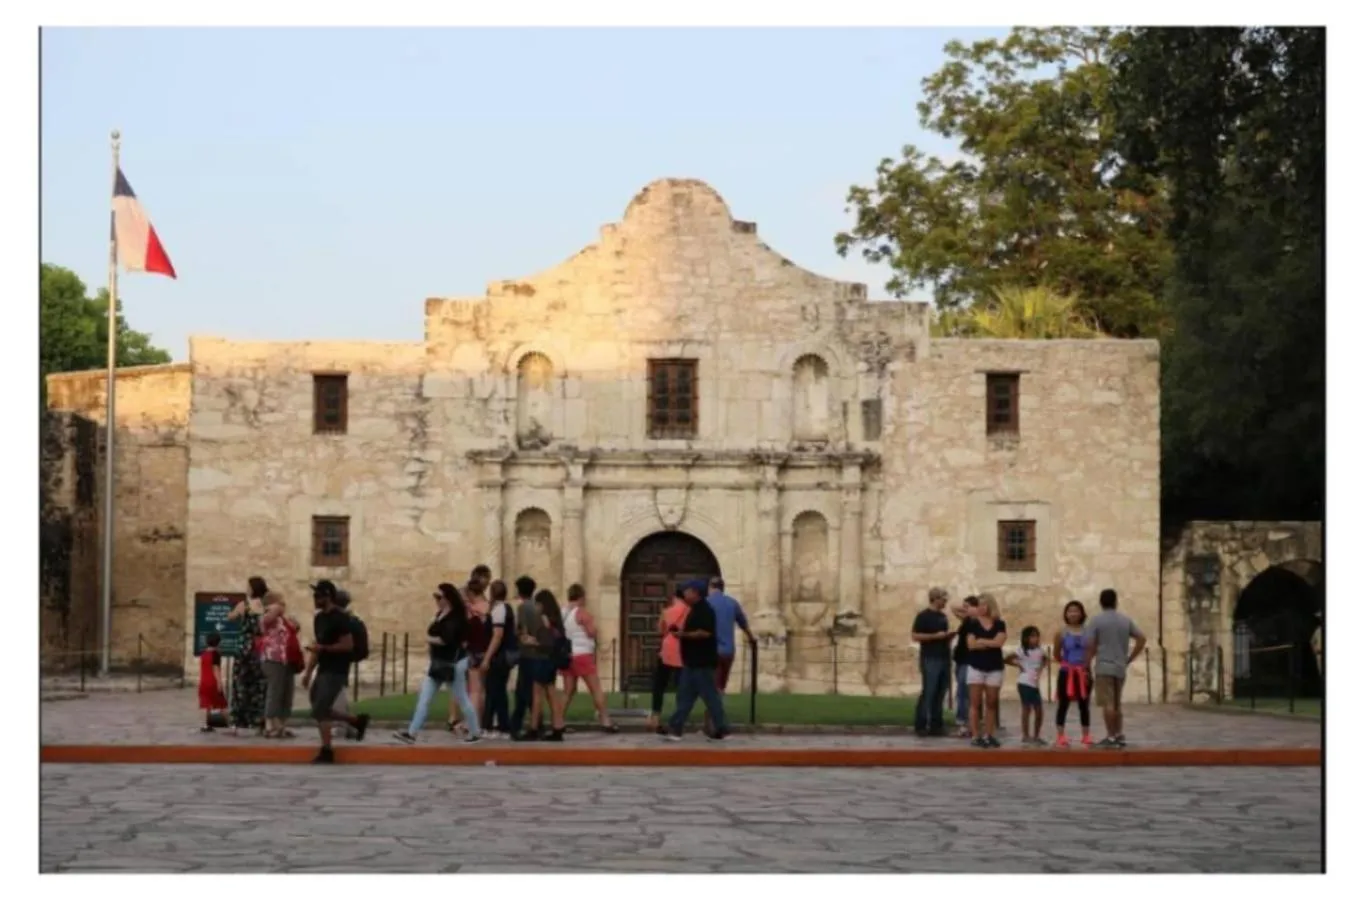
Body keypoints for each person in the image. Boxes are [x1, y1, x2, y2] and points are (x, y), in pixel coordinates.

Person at [394, 583, 480, 744]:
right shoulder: (441, 615)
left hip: (453, 664)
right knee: (425, 698)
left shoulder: (455, 618)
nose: (437, 600)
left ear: (448, 599)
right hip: (439, 663)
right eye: (436, 597)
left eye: (439, 597)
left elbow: (445, 640)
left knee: (462, 698)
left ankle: (475, 732)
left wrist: (429, 639)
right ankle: (412, 733)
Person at [301, 580, 371, 764]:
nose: (315, 599)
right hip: (323, 668)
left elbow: (347, 645)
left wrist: (324, 649)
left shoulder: (340, 618)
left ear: (328, 596)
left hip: (337, 669)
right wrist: (308, 672)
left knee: (320, 709)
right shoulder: (319, 618)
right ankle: (356, 721)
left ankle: (327, 750)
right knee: (319, 708)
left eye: (318, 596)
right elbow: (318, 646)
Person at [667, 580, 730, 742]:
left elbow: (705, 632)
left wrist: (683, 635)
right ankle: (675, 728)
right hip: (692, 661)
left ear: (695, 593)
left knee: (709, 697)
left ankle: (722, 728)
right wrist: (682, 633)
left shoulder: (705, 610)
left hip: (702, 662)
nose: (684, 594)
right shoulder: (694, 609)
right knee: (686, 696)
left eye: (687, 590)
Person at [1084, 588, 1147, 749]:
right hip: (1120, 666)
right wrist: (1130, 658)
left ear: (1101, 602)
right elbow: (1141, 638)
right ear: (1115, 602)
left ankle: (1110, 736)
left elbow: (1091, 645)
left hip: (1104, 666)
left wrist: (1086, 664)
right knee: (1117, 704)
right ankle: (1119, 734)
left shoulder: (1096, 621)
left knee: (1108, 703)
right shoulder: (1125, 620)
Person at [560, 583, 620, 732]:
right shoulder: (582, 613)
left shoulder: (562, 612)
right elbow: (591, 632)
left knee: (568, 691)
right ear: (581, 597)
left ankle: (558, 721)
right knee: (596, 689)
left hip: (568, 655)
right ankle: (605, 720)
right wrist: (595, 629)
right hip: (583, 654)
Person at [517, 589, 567, 742]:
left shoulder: (544, 618)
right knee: (551, 694)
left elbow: (545, 642)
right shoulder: (556, 619)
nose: (536, 607)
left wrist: (532, 642)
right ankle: (558, 726)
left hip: (542, 659)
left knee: (537, 695)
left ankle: (534, 728)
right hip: (551, 660)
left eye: (537, 604)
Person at [964, 593, 1007, 748]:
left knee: (991, 702)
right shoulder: (973, 623)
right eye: (979, 605)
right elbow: (971, 645)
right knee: (975, 702)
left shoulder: (999, 623)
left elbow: (999, 642)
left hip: (994, 667)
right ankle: (976, 735)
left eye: (984, 604)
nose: (981, 607)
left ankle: (989, 734)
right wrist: (989, 643)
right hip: (976, 666)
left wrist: (982, 640)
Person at [227, 576, 269, 736]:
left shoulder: (244, 605)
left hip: (244, 648)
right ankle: (258, 722)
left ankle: (237, 723)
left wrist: (233, 612)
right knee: (259, 686)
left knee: (240, 684)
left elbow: (231, 617)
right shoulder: (266, 606)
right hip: (260, 648)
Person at [911, 586, 954, 737]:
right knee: (929, 691)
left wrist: (948, 637)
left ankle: (936, 725)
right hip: (930, 658)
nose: (945, 602)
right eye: (943, 599)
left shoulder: (943, 617)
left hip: (944, 657)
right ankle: (921, 724)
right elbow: (915, 636)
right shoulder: (923, 616)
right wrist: (935, 636)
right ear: (935, 599)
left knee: (940, 692)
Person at [646, 586, 688, 735]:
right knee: (681, 687)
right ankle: (679, 719)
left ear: (674, 597)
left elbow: (661, 630)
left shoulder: (667, 612)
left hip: (667, 650)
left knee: (659, 685)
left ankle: (655, 717)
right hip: (683, 651)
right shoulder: (689, 611)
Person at [259, 592, 301, 739]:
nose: (283, 604)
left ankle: (282, 724)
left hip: (287, 660)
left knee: (286, 693)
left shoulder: (283, 620)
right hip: (273, 659)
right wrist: (276, 607)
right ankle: (270, 725)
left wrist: (292, 622)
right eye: (280, 601)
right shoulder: (267, 618)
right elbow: (271, 615)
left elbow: (295, 628)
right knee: (275, 692)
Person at [1053, 600, 1093, 747]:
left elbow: (1091, 651)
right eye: (1070, 611)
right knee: (1063, 704)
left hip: (1084, 671)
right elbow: (1056, 653)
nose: (1073, 614)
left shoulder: (1088, 632)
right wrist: (1067, 665)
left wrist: (1086, 666)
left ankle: (1086, 735)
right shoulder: (1061, 633)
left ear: (1081, 613)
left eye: (1076, 610)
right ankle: (1060, 735)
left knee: (1084, 704)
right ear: (1066, 614)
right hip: (1066, 672)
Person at [479, 579, 516, 738]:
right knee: (498, 692)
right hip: (501, 656)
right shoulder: (505, 608)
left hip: (498, 657)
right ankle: (502, 726)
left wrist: (487, 658)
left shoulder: (499, 610)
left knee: (493, 691)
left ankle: (490, 726)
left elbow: (497, 636)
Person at [509, 575, 541, 737]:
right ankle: (533, 723)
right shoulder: (537, 606)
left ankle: (517, 725)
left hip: (527, 654)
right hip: (538, 655)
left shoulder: (523, 608)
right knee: (529, 691)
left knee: (523, 691)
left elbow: (522, 630)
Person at [1006, 625, 1047, 745]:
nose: (1035, 639)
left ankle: (1036, 735)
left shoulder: (1040, 651)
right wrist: (1018, 665)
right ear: (1026, 638)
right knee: (1026, 708)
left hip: (1034, 684)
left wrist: (1040, 669)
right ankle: (1025, 735)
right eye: (1032, 636)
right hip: (1024, 682)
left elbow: (1045, 659)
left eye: (1036, 636)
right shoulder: (1021, 651)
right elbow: (1007, 659)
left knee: (1039, 710)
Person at [948, 595, 980, 737]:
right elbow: (953, 608)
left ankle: (963, 722)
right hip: (960, 659)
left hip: (968, 660)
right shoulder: (967, 619)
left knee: (963, 692)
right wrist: (967, 609)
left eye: (967, 606)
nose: (964, 609)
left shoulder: (977, 621)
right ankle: (965, 721)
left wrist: (972, 610)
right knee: (962, 691)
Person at [198, 633, 228, 732]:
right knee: (222, 704)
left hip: (203, 682)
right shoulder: (215, 654)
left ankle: (205, 725)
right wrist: (220, 683)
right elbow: (216, 669)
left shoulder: (203, 654)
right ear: (218, 643)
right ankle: (230, 724)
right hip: (213, 682)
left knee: (206, 704)